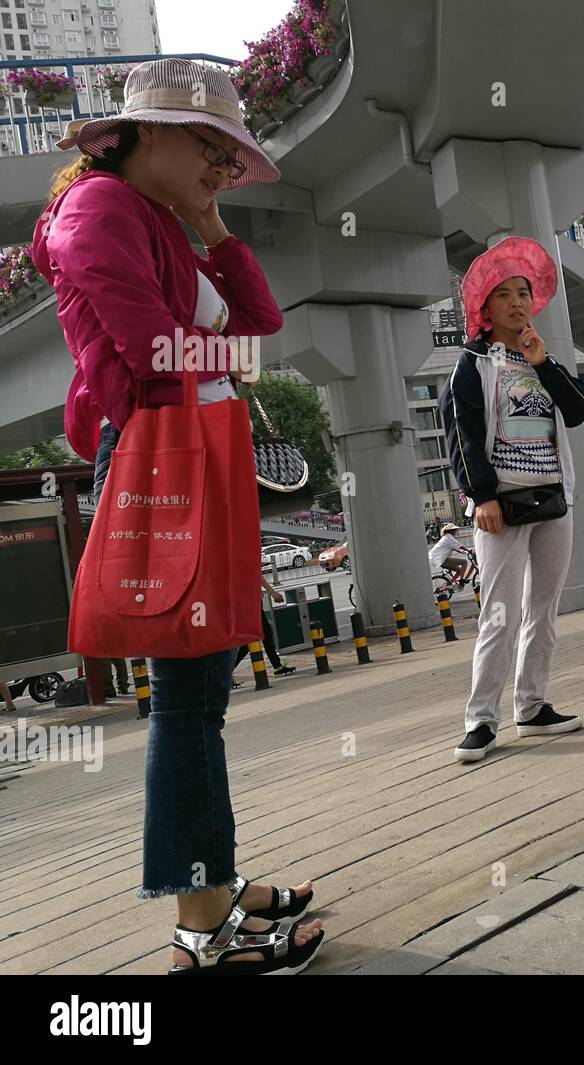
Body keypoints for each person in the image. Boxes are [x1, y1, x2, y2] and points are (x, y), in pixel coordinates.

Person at [31, 59, 322, 973]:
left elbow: (259, 321)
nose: (223, 169)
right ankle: (205, 924)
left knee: (204, 693)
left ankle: (219, 885)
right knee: (190, 703)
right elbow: (153, 349)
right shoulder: (99, 212)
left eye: (232, 157)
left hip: (202, 447)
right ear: (147, 131)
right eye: (211, 149)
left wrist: (211, 228)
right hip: (163, 453)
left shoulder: (161, 219)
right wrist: (219, 341)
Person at [440, 236, 584, 763]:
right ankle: (480, 721)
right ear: (484, 307)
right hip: (501, 507)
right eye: (502, 294)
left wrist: (544, 362)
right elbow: (461, 432)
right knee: (499, 612)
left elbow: (578, 411)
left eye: (522, 292)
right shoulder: (473, 364)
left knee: (544, 608)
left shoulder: (539, 357)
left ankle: (531, 708)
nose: (515, 302)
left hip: (552, 499)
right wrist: (481, 495)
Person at [232, 577, 296, 679]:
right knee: (256, 637)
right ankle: (226, 671)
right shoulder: (246, 562)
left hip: (251, 601)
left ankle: (277, 666)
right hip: (249, 602)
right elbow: (257, 576)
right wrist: (272, 592)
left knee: (260, 636)